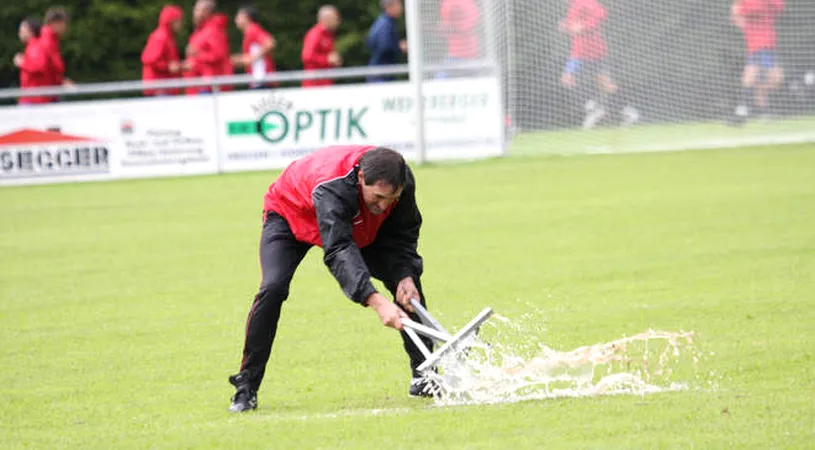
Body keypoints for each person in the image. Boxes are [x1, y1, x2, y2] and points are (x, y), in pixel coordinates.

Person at [227, 145, 435, 413]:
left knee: (408, 288)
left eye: (391, 199)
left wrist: (404, 274)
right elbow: (338, 250)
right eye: (379, 197)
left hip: (356, 220)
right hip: (290, 215)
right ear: (361, 178)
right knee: (273, 287)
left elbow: (403, 232)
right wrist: (376, 301)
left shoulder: (401, 182)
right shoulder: (332, 185)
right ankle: (246, 387)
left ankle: (425, 375)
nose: (384, 205)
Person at [559, 0, 638, 129]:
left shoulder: (584, 1)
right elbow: (574, 27)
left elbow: (601, 13)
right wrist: (566, 26)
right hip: (579, 51)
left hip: (592, 50)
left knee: (571, 80)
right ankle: (627, 112)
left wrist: (584, 26)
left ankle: (595, 109)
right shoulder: (572, 6)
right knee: (603, 84)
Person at [730, 0, 785, 124]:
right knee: (753, 77)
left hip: (766, 45)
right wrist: (736, 11)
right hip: (758, 46)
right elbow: (737, 18)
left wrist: (738, 9)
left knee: (771, 80)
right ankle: (748, 111)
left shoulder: (752, 5)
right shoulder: (746, 7)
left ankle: (749, 110)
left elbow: (780, 6)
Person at [183, 0, 228, 94]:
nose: (194, 12)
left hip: (208, 85)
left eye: (197, 9)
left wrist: (196, 55)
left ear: (207, 12)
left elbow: (217, 55)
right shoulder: (200, 31)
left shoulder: (213, 30)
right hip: (198, 84)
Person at [141, 5, 184, 96]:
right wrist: (168, 67)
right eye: (178, 21)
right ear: (171, 21)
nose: (180, 24)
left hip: (163, 87)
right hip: (159, 88)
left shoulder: (167, 37)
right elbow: (150, 60)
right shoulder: (161, 37)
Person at [231, 5, 277, 88]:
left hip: (262, 81)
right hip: (259, 81)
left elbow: (270, 43)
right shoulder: (249, 32)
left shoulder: (253, 30)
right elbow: (250, 57)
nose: (235, 20)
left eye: (238, 17)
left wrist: (252, 58)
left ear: (246, 18)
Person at [301, 5, 342, 88]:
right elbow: (306, 56)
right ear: (327, 19)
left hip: (325, 82)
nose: (338, 21)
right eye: (335, 18)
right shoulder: (315, 34)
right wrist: (327, 60)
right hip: (314, 84)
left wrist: (335, 61)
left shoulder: (329, 35)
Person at [366, 0, 407, 83]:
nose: (401, 8)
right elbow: (384, 46)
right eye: (399, 5)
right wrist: (399, 47)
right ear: (389, 7)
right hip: (381, 75)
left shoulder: (383, 22)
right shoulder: (386, 24)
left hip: (380, 73)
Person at [438, 0, 481, 77]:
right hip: (464, 54)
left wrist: (454, 26)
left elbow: (473, 24)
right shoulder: (449, 3)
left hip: (464, 55)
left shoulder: (449, 4)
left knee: (440, 80)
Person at [14, 18, 50, 105]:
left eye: (22, 30)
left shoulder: (35, 46)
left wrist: (22, 63)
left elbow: (38, 66)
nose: (19, 33)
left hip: (34, 99)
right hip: (33, 98)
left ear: (31, 32)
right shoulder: (34, 46)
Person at [40, 6, 73, 101]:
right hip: (45, 94)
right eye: (64, 24)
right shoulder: (47, 41)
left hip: (48, 91)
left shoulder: (51, 39)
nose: (65, 28)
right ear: (57, 23)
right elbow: (48, 67)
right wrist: (61, 82)